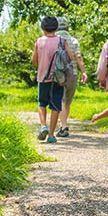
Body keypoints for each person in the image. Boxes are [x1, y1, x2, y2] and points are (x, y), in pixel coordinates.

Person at [32, 16, 76, 144]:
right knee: (56, 105)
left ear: (43, 28)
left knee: (42, 103)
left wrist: (42, 65)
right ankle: (51, 135)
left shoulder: (39, 41)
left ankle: (43, 126)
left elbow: (34, 60)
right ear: (56, 28)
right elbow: (70, 57)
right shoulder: (62, 41)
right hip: (58, 78)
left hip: (43, 77)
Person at [55, 16, 88, 138]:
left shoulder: (54, 40)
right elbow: (78, 56)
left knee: (61, 100)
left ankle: (64, 127)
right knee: (67, 102)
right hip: (72, 73)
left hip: (58, 74)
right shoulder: (73, 40)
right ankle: (64, 124)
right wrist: (83, 72)